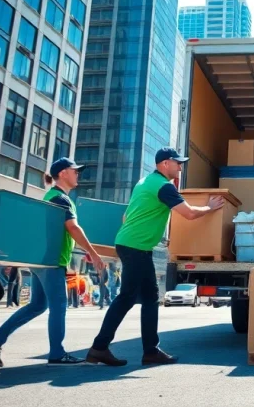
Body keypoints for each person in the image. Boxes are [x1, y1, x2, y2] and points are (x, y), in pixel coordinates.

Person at [84, 148, 224, 367]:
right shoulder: (163, 186)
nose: (180, 167)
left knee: (148, 298)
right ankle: (101, 348)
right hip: (136, 247)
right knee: (128, 298)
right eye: (177, 163)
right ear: (165, 164)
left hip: (132, 244)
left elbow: (125, 217)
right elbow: (188, 213)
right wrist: (210, 206)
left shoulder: (144, 182)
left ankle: (147, 351)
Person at [0, 158, 106, 366]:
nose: (78, 174)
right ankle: (57, 353)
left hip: (42, 259)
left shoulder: (52, 196)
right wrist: (93, 253)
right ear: (63, 173)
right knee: (59, 305)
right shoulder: (60, 199)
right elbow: (73, 228)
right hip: (51, 260)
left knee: (38, 305)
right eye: (75, 170)